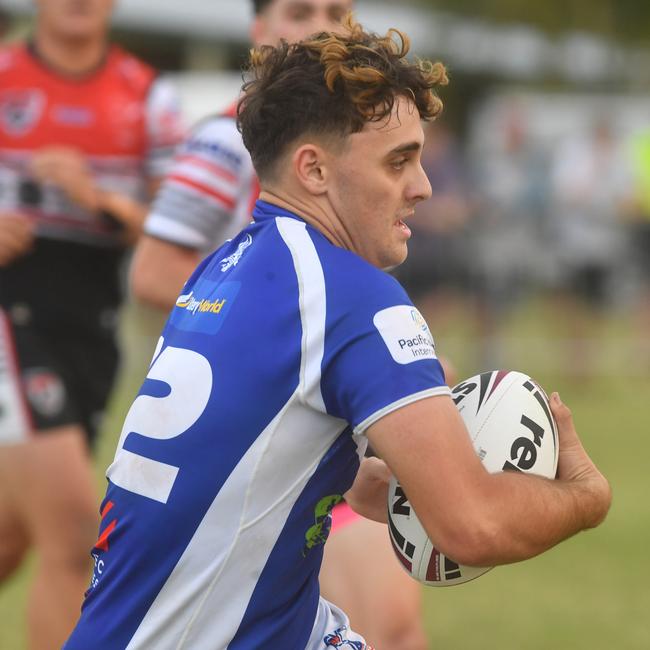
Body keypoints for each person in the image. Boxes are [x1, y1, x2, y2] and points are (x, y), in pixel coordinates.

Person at [66, 17, 611, 649]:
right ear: (315, 171)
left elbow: (236, 447)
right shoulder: (352, 297)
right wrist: (584, 496)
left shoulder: (227, 268)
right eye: (398, 161)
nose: (424, 187)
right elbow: (474, 528)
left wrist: (349, 476)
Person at [130, 1, 427, 647]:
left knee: (398, 628)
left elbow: (347, 304)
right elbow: (154, 271)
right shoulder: (224, 140)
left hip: (336, 429)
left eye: (338, 11)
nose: (323, 25)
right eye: (299, 10)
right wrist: (279, 344)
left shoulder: (364, 142)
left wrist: (381, 367)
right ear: (259, 32)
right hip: (269, 439)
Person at [0, 0, 183, 648]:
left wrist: (96, 197)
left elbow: (174, 230)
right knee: (76, 533)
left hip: (94, 327)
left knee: (13, 538)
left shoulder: (147, 97)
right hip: (11, 318)